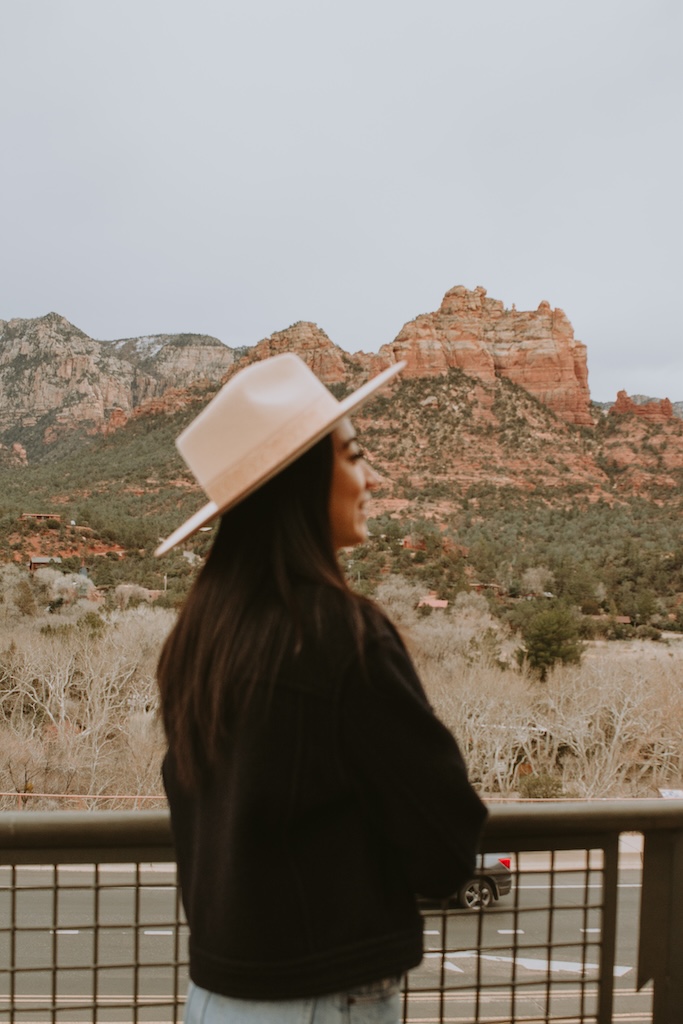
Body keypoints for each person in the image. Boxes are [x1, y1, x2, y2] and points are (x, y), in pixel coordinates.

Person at [155, 353, 487, 1024]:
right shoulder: (340, 635)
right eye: (353, 457)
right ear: (302, 479)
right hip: (321, 1000)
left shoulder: (197, 638)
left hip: (215, 997)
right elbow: (444, 843)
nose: (372, 477)